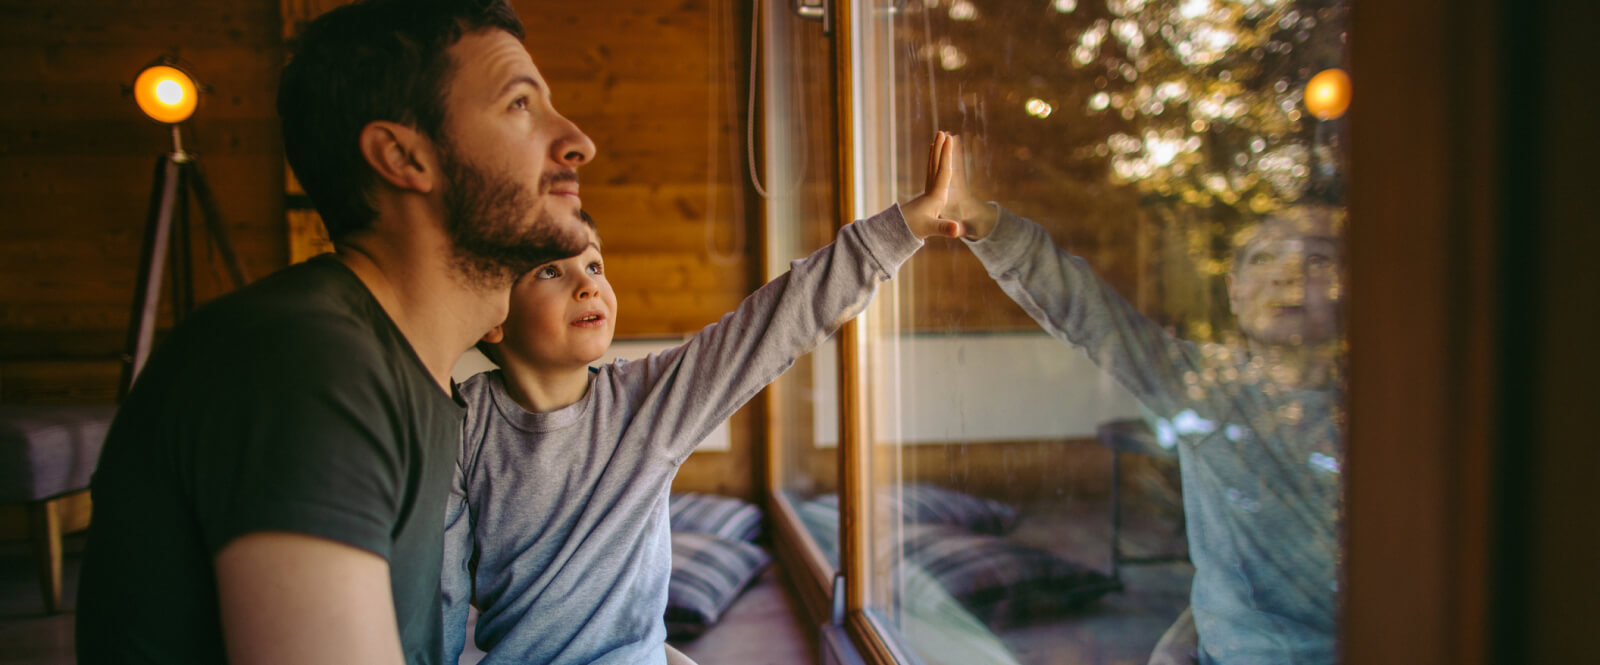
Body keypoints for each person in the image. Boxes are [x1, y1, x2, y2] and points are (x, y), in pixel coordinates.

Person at [75, 2, 596, 664]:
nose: (578, 140)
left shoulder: (418, 376)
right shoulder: (304, 364)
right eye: (521, 104)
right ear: (403, 156)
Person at [440, 133, 964, 665]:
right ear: (493, 316)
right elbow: (437, 594)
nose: (587, 286)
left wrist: (904, 227)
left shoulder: (646, 402)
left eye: (594, 266)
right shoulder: (459, 426)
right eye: (551, 270)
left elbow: (776, 321)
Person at [944, 135, 1343, 665]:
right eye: (1264, 257)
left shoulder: (1403, 410)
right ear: (1235, 291)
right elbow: (1088, 312)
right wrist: (985, 223)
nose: (1286, 275)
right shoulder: (1199, 382)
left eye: (1315, 259)